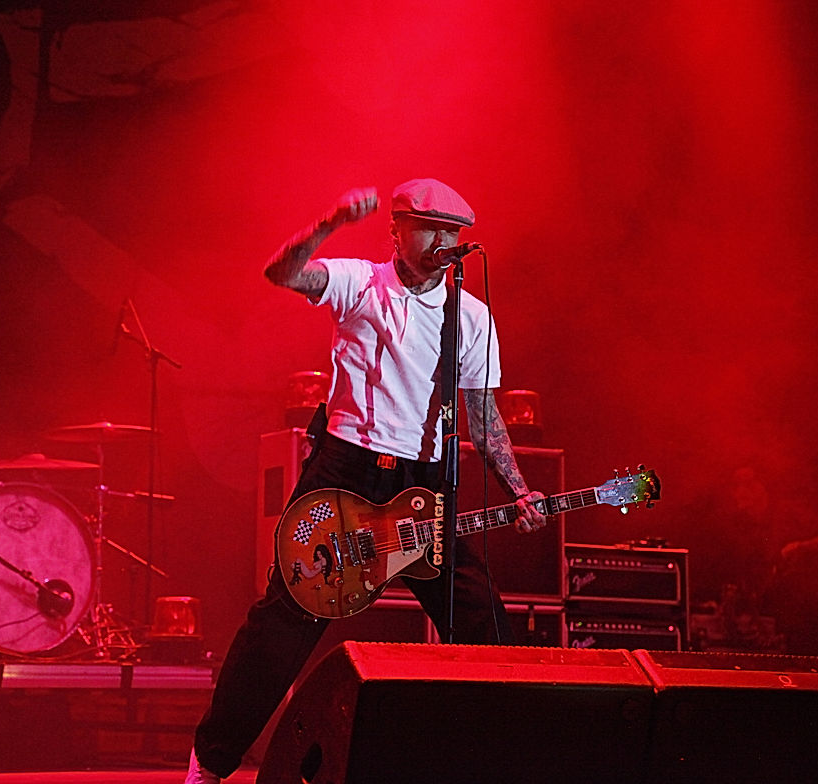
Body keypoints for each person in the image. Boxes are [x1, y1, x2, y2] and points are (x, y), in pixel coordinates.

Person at [184, 179, 548, 783]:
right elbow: (282, 272)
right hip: (345, 471)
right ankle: (211, 760)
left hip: (425, 481)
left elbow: (483, 415)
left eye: (452, 232)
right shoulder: (360, 282)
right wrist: (328, 221)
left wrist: (518, 486)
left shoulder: (473, 317)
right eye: (429, 228)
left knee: (480, 619)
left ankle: (503, 764)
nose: (442, 241)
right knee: (287, 619)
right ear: (397, 230)